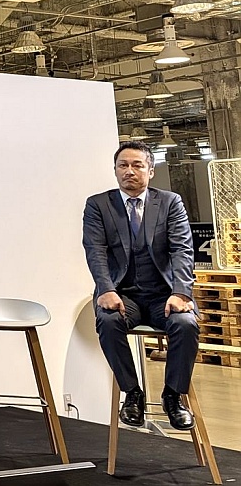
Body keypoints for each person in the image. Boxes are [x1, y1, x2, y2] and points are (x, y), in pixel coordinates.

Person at [83, 140, 199, 431]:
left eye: (137, 165)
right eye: (123, 165)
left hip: (164, 295)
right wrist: (106, 289)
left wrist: (180, 292)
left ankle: (173, 397)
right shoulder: (98, 205)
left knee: (186, 324)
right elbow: (95, 251)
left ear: (151, 170)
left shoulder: (170, 202)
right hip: (124, 295)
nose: (129, 171)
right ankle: (132, 394)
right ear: (115, 170)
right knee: (108, 321)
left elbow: (182, 249)